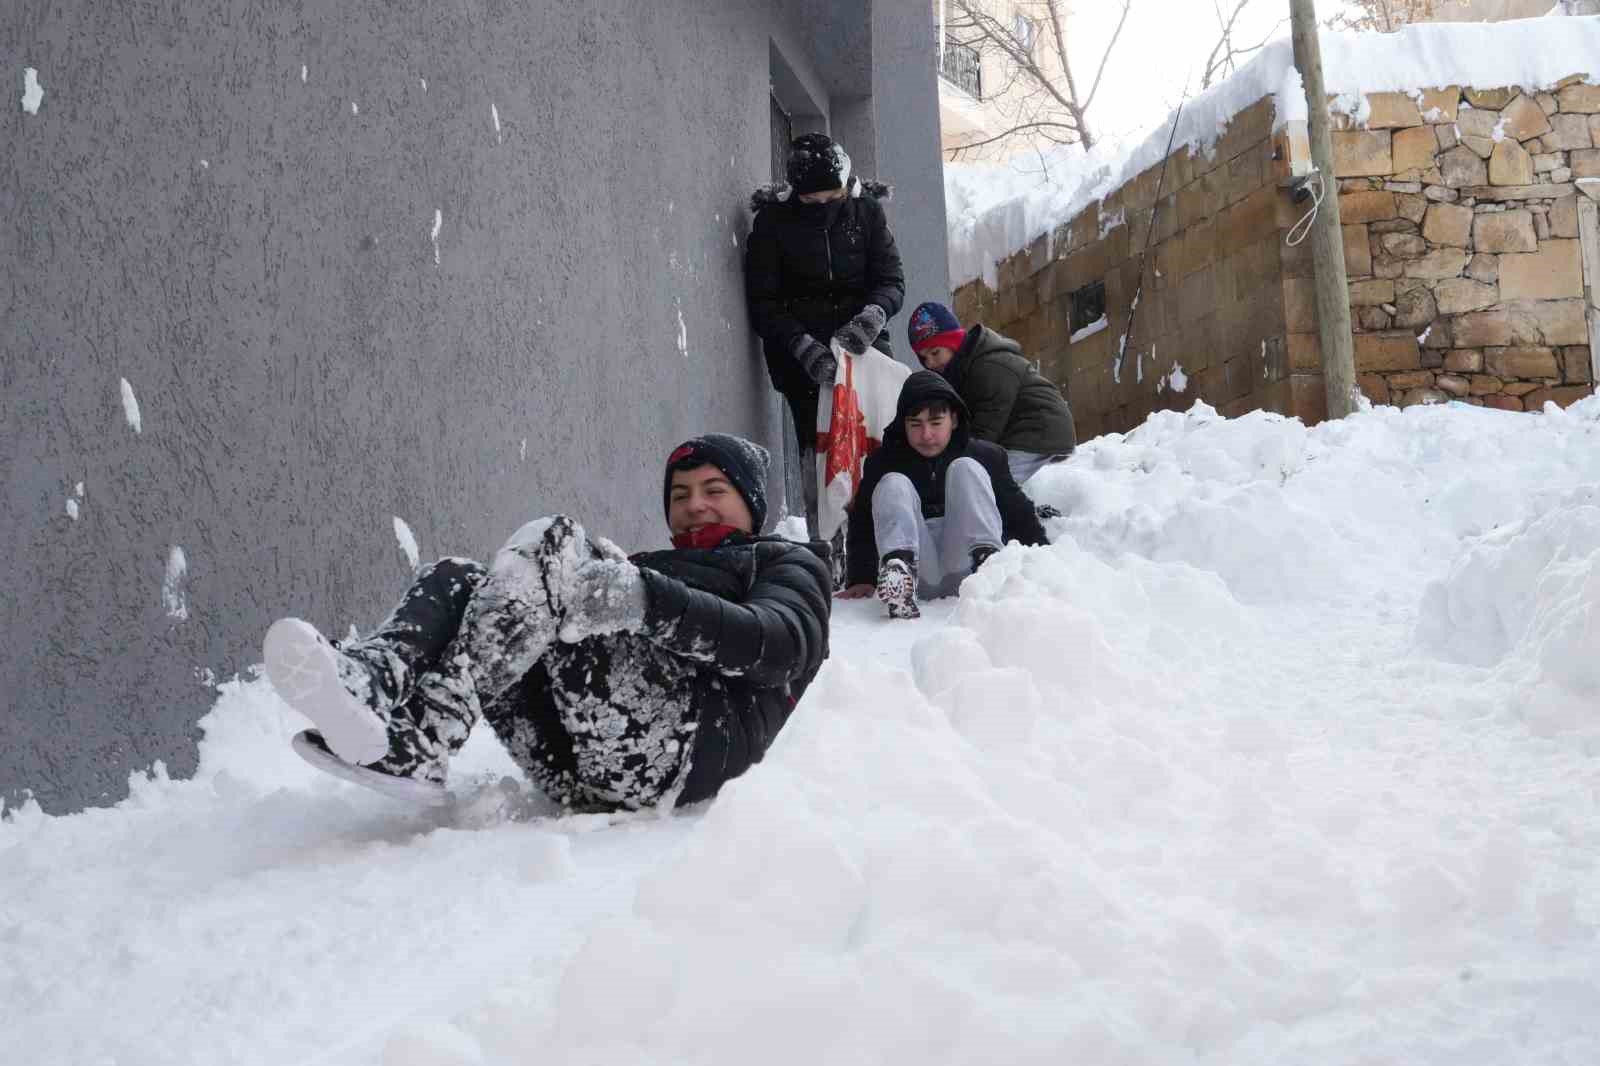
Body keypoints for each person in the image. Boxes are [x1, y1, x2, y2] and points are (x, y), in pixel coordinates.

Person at [262, 434, 831, 812]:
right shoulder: (650, 565)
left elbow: (782, 644)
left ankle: (427, 734)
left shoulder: (783, 561)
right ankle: (373, 685)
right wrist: (623, 587)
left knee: (554, 539)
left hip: (676, 758)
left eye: (715, 490)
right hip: (568, 760)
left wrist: (642, 598)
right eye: (679, 494)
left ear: (752, 503)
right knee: (461, 578)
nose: (693, 505)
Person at [745, 132, 905, 531]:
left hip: (865, 351)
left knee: (877, 444)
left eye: (830, 198)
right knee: (817, 456)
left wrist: (872, 317)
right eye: (810, 200)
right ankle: (826, 544)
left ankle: (881, 538)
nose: (821, 206)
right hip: (803, 360)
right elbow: (763, 302)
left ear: (846, 185)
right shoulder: (772, 224)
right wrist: (803, 347)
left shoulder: (867, 213)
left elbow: (892, 280)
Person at [838, 372, 1047, 619]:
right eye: (915, 424)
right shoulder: (883, 462)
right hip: (918, 571)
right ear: (903, 425)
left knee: (966, 468)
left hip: (970, 569)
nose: (926, 434)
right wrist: (860, 577)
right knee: (892, 482)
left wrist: (1045, 559)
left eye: (936, 423)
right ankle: (898, 573)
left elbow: (1016, 511)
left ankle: (988, 561)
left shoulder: (986, 456)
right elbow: (863, 521)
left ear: (954, 420)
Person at [905, 301, 1077, 486]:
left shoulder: (988, 366)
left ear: (953, 343)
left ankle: (1015, 513)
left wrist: (951, 462)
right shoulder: (961, 369)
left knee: (987, 483)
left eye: (935, 352)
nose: (929, 363)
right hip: (1019, 431)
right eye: (923, 357)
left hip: (1038, 428)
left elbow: (986, 428)